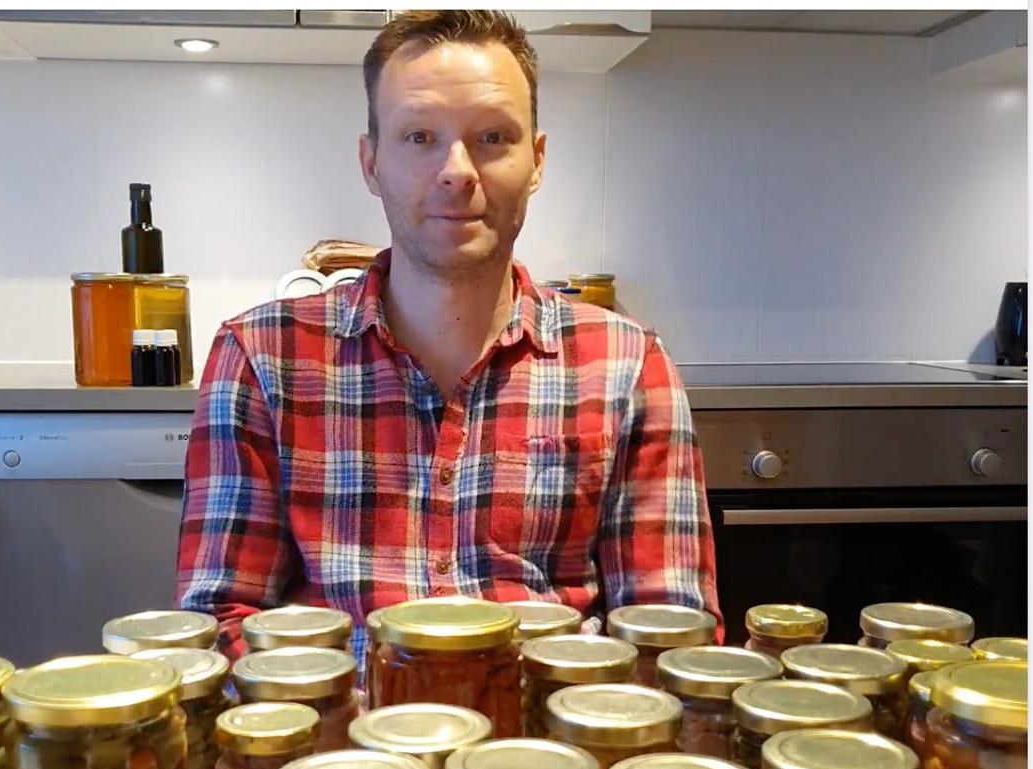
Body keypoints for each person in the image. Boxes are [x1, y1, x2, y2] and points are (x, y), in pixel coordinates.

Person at [176, 9, 721, 670]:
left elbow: (670, 634)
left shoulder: (630, 367)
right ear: (371, 162)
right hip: (334, 730)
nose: (457, 170)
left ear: (536, 161)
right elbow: (219, 619)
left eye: (492, 137)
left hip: (549, 728)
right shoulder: (261, 359)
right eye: (419, 137)